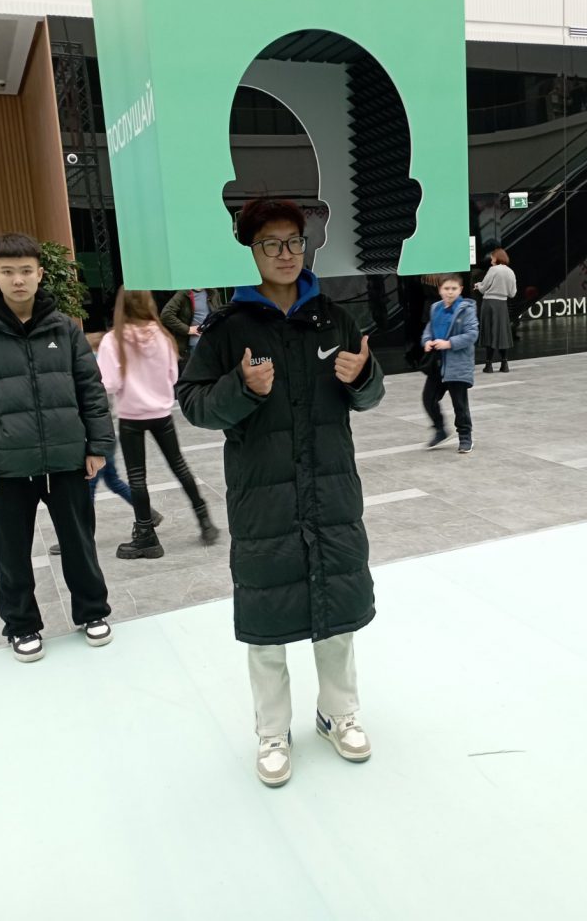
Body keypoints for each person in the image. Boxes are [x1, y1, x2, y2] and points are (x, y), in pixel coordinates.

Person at [178, 197, 384, 788]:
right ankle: (272, 730)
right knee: (266, 620)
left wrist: (364, 378)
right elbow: (193, 403)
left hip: (331, 491)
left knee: (337, 613)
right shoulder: (228, 328)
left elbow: (370, 395)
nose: (285, 254)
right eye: (270, 244)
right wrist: (241, 388)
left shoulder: (334, 319)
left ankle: (338, 713)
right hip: (262, 498)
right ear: (252, 250)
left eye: (293, 241)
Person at [0, 233, 114, 662]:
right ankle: (22, 625)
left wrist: (97, 445)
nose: (18, 280)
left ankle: (93, 612)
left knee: (80, 544)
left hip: (67, 461)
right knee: (11, 553)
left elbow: (91, 391)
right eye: (8, 272)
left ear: (40, 274)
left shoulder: (65, 330)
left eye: (26, 271)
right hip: (8, 467)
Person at [97, 289, 219, 559]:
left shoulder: (113, 340)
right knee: (179, 466)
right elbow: (173, 375)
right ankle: (204, 520)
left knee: (137, 477)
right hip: (161, 413)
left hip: (131, 416)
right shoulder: (162, 336)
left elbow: (110, 383)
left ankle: (146, 535)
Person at [48, 331, 162, 555]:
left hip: (95, 436)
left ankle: (82, 535)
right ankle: (149, 513)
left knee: (88, 487)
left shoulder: (92, 370)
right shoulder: (98, 366)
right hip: (105, 435)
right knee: (112, 481)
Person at [421, 273, 479, 453]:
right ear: (440, 290)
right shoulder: (435, 308)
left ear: (460, 290)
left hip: (457, 364)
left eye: (454, 288)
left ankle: (465, 437)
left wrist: (449, 343)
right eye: (446, 288)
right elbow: (429, 329)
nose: (450, 292)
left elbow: (472, 334)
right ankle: (440, 430)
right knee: (428, 399)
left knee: (459, 404)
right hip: (438, 364)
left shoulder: (466, 309)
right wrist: (427, 341)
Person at [474, 247, 517, 372]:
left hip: (489, 304)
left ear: (497, 258)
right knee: (502, 333)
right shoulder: (510, 272)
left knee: (489, 334)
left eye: (492, 257)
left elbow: (483, 288)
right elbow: (512, 293)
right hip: (502, 305)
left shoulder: (493, 270)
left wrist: (478, 285)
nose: (491, 260)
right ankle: (504, 364)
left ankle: (489, 365)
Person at [160, 288, 221, 369]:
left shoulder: (212, 292)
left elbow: (219, 314)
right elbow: (166, 315)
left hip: (212, 343)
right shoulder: (184, 293)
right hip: (194, 345)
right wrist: (187, 329)